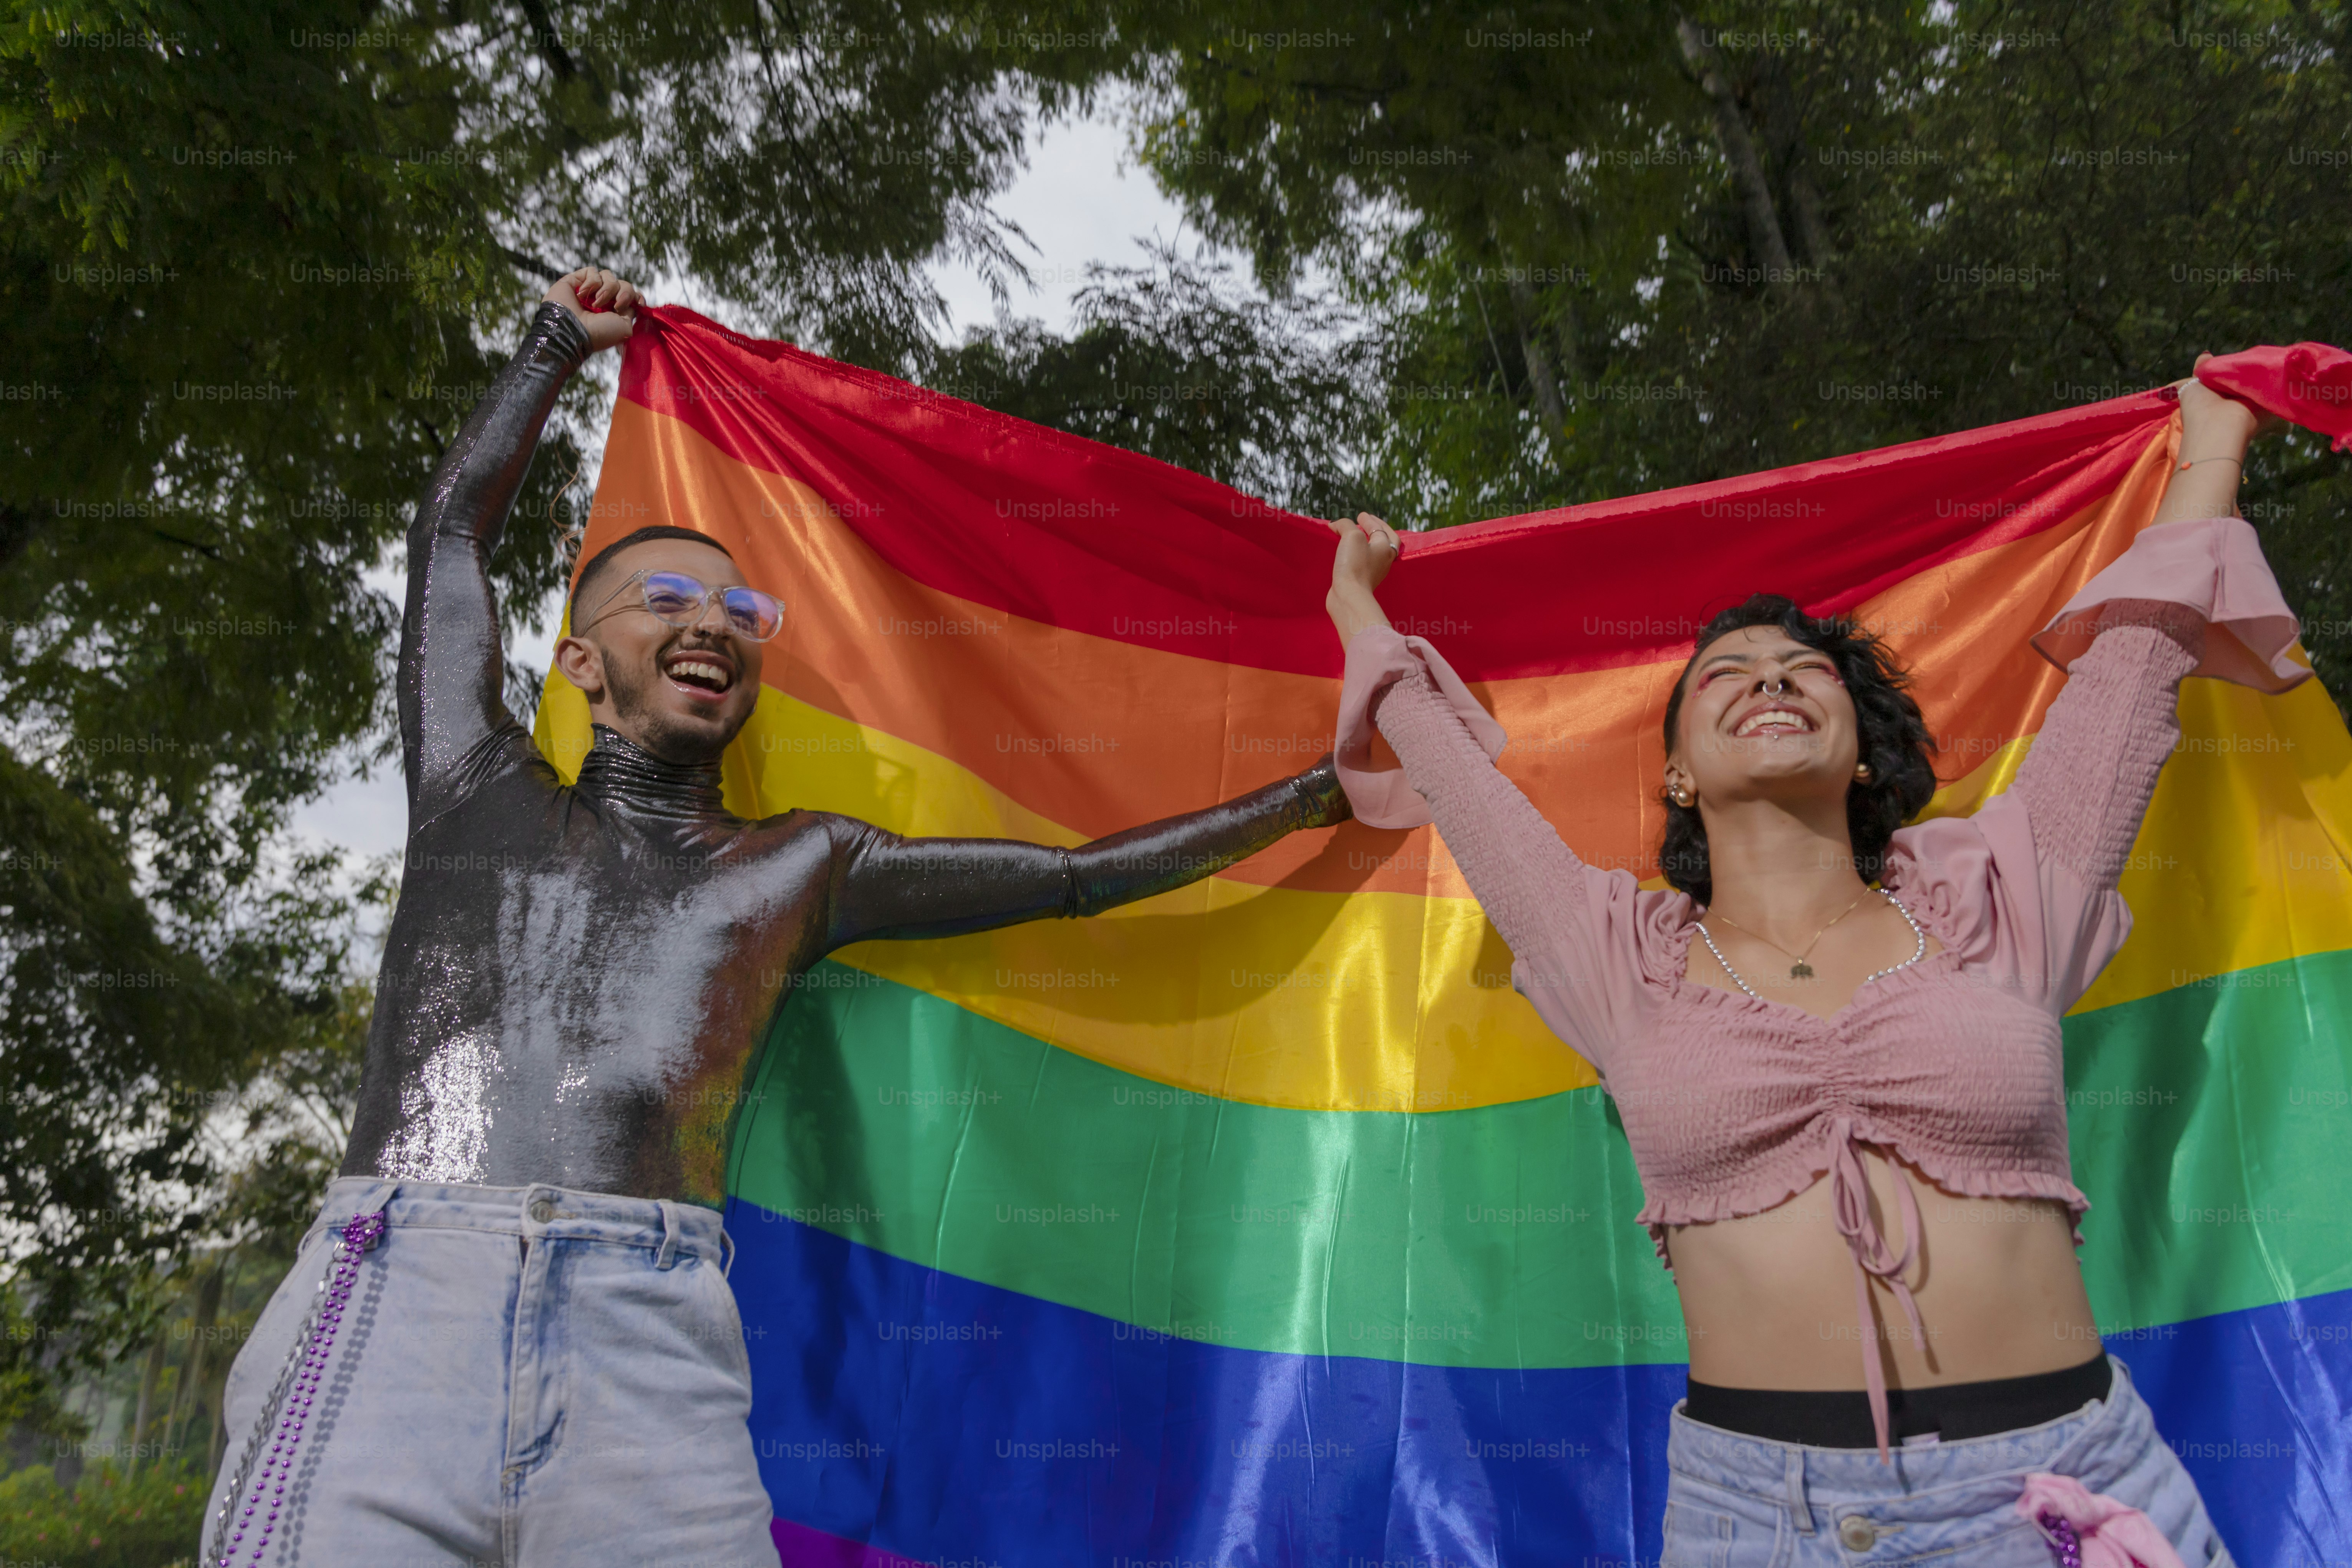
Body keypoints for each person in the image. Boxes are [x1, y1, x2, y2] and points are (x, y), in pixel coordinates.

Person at [203, 268, 1351, 1567]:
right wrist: (552, 347)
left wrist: (1319, 791)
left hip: (650, 1335)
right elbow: (452, 539)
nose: (713, 624)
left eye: (742, 612)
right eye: (670, 602)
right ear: (580, 658)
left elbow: (1074, 875)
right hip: (398, 1301)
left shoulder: (797, 866)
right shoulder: (473, 781)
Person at [1319, 362, 2298, 1566]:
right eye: (1724, 674)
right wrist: (1356, 611)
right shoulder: (1620, 962)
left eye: (1804, 668)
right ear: (1677, 767)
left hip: (2069, 1500)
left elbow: (2133, 675)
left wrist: (2210, 450)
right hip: (1759, 1522)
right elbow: (1464, 793)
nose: (1770, 676)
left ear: (1857, 757)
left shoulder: (2001, 899)